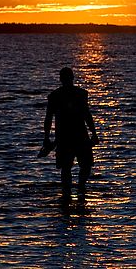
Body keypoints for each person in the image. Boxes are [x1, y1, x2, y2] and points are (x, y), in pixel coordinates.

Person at [43, 67, 99, 205]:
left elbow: (87, 115)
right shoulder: (55, 96)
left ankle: (78, 189)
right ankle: (72, 191)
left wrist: (94, 133)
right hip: (66, 137)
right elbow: (49, 118)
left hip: (78, 136)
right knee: (68, 167)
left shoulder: (80, 94)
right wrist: (46, 137)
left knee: (82, 166)